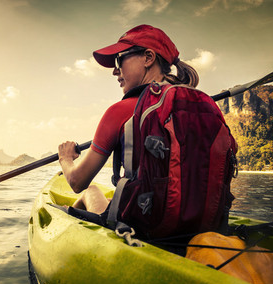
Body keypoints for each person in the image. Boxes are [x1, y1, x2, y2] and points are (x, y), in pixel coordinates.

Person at [58, 24, 199, 214]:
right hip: (195, 221)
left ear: (148, 58)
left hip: (143, 226)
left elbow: (77, 181)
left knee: (90, 190)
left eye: (119, 60)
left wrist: (66, 158)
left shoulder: (121, 111)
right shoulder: (197, 107)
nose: (115, 71)